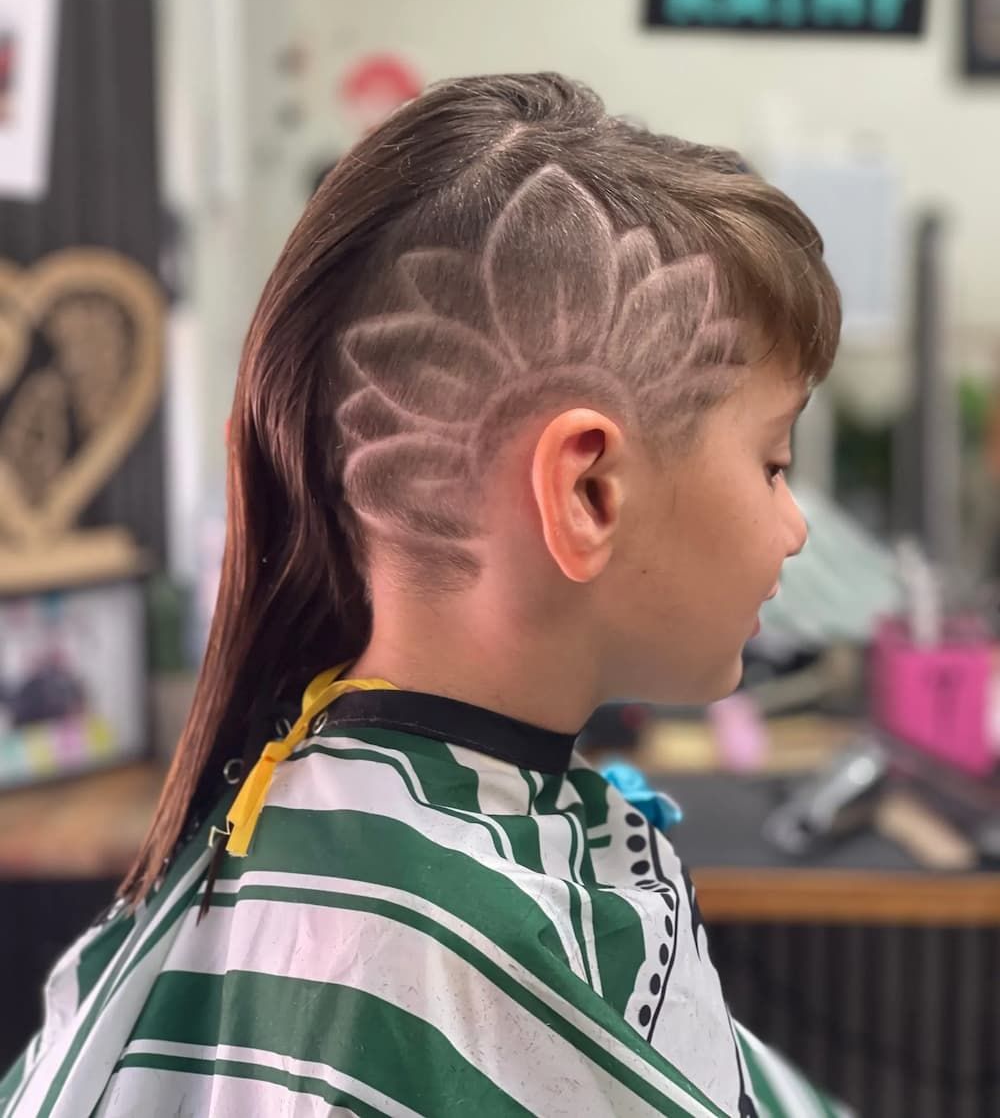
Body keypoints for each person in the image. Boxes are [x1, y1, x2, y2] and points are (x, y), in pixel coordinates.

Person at [0, 73, 848, 1117]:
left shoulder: (306, 802)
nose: (792, 523)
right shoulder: (432, 942)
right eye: (774, 462)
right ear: (588, 490)